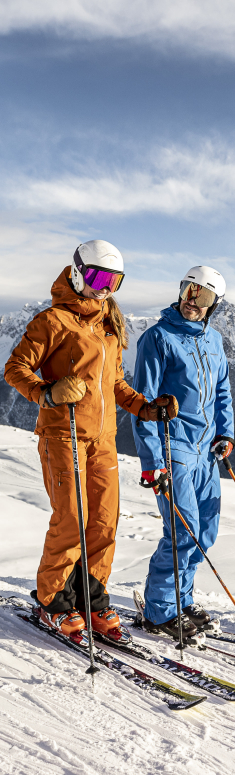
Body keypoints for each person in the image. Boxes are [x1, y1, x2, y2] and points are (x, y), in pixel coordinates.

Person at [4, 239, 176, 644]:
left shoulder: (109, 325)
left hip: (103, 439)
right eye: (98, 277)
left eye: (114, 280)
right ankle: (53, 601)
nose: (105, 288)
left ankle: (91, 597)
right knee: (72, 519)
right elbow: (15, 368)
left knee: (103, 522)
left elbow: (115, 384)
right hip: (63, 434)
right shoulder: (53, 322)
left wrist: (146, 408)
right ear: (78, 272)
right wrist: (46, 392)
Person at [132, 265, 234, 640]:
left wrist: (226, 433)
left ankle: (180, 597)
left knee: (204, 532)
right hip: (173, 448)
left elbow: (222, 391)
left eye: (202, 296)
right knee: (183, 530)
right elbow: (143, 403)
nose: (192, 300)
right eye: (188, 290)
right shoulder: (157, 339)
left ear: (214, 305)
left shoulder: (214, 341)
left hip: (206, 452)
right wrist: (152, 462)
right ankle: (159, 610)